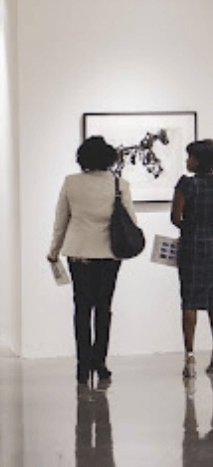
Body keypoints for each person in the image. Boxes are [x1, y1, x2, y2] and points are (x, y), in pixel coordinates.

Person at [47, 136, 137, 384]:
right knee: (104, 309)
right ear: (109, 157)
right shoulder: (120, 184)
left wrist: (54, 252)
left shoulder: (71, 183)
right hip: (110, 255)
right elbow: (131, 221)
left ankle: (82, 365)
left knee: (81, 308)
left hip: (79, 254)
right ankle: (100, 362)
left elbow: (61, 221)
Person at [170, 139, 213, 378]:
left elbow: (176, 217)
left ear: (198, 160)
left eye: (190, 157)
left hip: (192, 244)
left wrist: (191, 226)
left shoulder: (186, 184)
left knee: (189, 300)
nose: (187, 161)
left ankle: (189, 356)